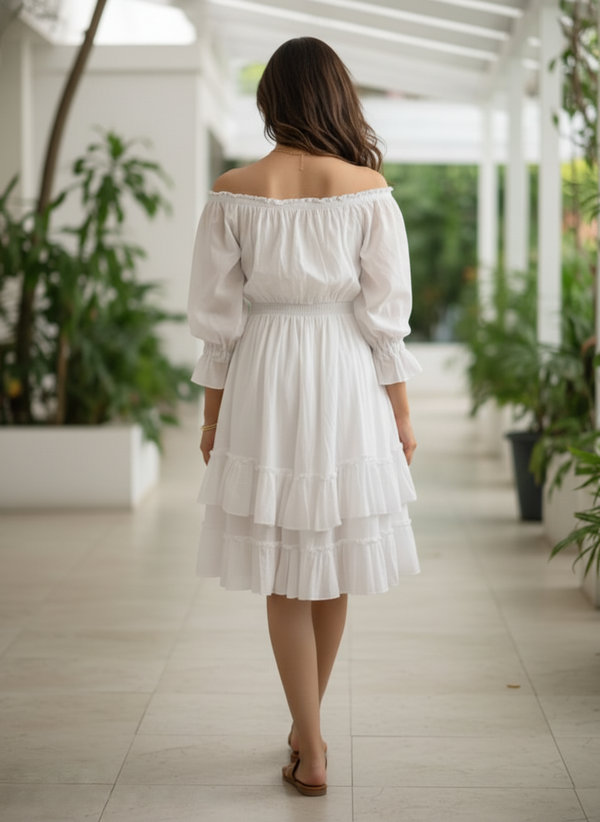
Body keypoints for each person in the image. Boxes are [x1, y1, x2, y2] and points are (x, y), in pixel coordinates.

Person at [187, 36, 422, 798]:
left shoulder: (232, 188)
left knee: (282, 570)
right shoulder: (366, 188)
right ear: (337, 97)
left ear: (271, 101)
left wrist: (212, 418)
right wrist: (403, 417)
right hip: (345, 371)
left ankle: (308, 739)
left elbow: (217, 324)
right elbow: (387, 320)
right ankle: (310, 732)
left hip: (264, 372)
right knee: (333, 553)